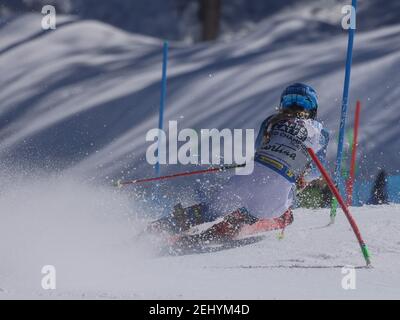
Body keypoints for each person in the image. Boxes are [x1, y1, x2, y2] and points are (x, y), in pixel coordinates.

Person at [148, 83, 330, 242]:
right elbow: (316, 171)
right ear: (313, 110)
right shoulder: (320, 133)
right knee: (262, 211)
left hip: (245, 179)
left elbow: (259, 147)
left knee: (209, 209)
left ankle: (163, 227)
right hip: (275, 196)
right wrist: (302, 178)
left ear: (283, 103)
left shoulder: (271, 122)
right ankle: (222, 230)